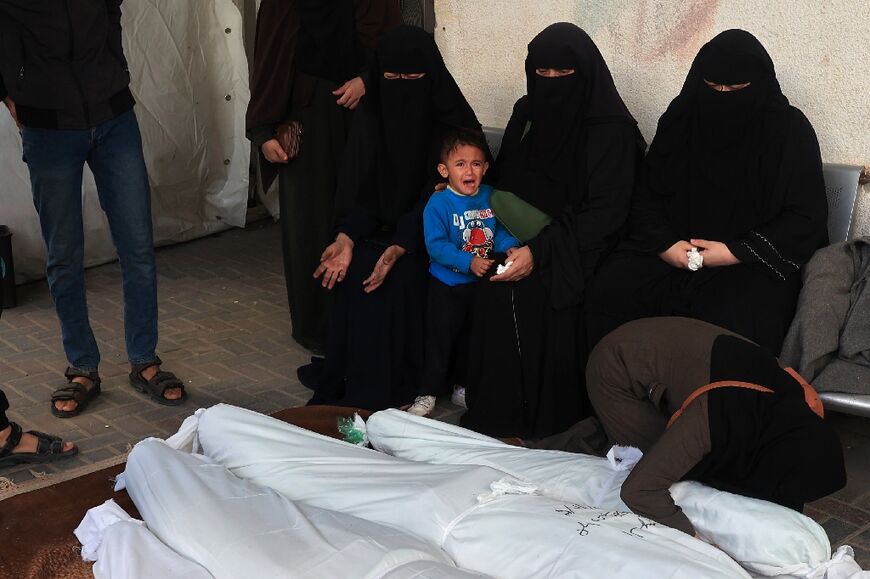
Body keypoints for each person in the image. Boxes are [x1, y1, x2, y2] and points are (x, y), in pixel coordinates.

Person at [585, 29, 828, 355]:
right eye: (713, 87)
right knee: (612, 285)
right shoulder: (682, 119)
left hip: (750, 262)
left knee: (735, 312)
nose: (723, 95)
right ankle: (616, 396)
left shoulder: (788, 131)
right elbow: (645, 193)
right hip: (677, 251)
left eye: (737, 88)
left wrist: (732, 252)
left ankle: (712, 405)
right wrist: (666, 245)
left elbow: (805, 217)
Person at [460, 23, 646, 438]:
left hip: (584, 243)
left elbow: (608, 211)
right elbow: (504, 179)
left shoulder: (609, 128)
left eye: (564, 76)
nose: (551, 84)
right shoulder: (527, 113)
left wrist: (542, 251)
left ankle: (549, 418)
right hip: (519, 234)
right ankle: (499, 413)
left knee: (544, 294)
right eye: (541, 75)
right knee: (492, 283)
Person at [0, 1, 185, 418]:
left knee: (138, 246)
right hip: (46, 128)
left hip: (113, 117)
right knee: (63, 254)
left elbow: (111, 9)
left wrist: (115, 69)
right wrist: (10, 92)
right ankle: (82, 367)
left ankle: (144, 360)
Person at [300, 26, 486, 410]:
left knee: (400, 277)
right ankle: (356, 379)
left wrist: (402, 244)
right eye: (392, 78)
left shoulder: (456, 128)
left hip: (438, 236)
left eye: (413, 78)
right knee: (354, 268)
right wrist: (347, 237)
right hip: (379, 226)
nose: (402, 87)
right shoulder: (372, 118)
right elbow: (362, 189)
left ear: (430, 75)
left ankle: (410, 384)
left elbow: (453, 200)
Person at [586, 317, 846, 536]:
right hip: (618, 367)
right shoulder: (715, 420)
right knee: (675, 472)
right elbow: (639, 491)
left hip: (682, 357)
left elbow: (785, 487)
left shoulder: (804, 408)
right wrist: (699, 545)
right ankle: (579, 439)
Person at [246, 0, 400, 353]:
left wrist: (367, 79)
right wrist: (263, 130)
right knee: (308, 224)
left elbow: (392, 42)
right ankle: (317, 328)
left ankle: (363, 322)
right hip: (306, 120)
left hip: (365, 115)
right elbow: (269, 55)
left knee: (365, 215)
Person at [407, 129, 519, 417]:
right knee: (441, 338)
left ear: (485, 168)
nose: (469, 170)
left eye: (476, 164)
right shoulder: (439, 204)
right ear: (444, 170)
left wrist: (509, 247)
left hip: (478, 287)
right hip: (447, 286)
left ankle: (463, 387)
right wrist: (468, 261)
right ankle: (428, 391)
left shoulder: (490, 197)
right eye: (460, 164)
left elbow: (501, 230)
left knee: (471, 338)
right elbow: (435, 246)